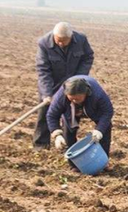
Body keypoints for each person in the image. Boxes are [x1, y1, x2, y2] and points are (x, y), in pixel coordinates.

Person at [34, 22, 94, 150]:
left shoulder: (81, 40)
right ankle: (41, 145)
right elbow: (43, 70)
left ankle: (68, 145)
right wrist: (47, 94)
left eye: (64, 41)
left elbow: (88, 57)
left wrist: (78, 78)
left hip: (72, 86)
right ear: (54, 36)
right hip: (52, 84)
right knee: (45, 112)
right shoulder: (44, 43)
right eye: (58, 40)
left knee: (71, 114)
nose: (61, 43)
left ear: (71, 37)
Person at [46, 75, 113, 158]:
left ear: (85, 93)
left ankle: (103, 159)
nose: (74, 101)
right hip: (70, 108)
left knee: (105, 128)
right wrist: (57, 134)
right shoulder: (61, 97)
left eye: (77, 99)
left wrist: (99, 130)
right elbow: (52, 115)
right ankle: (73, 162)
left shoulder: (98, 95)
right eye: (72, 98)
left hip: (93, 107)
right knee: (68, 129)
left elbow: (107, 112)